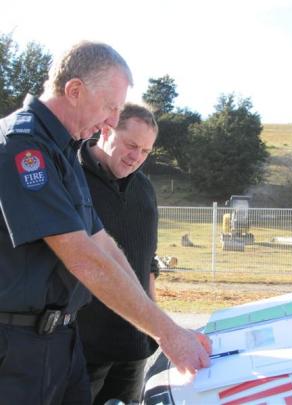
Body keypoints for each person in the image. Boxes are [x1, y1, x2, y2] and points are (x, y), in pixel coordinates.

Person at [0, 40, 211, 405]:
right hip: (16, 351)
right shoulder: (23, 146)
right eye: (110, 107)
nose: (112, 120)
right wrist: (168, 335)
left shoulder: (63, 150)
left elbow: (102, 244)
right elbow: (82, 257)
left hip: (62, 345)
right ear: (75, 90)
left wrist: (166, 326)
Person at [78, 103, 160, 404]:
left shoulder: (145, 189)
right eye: (131, 145)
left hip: (133, 347)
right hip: (81, 349)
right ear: (106, 129)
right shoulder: (71, 178)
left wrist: (154, 317)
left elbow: (148, 258)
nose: (136, 157)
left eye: (146, 151)